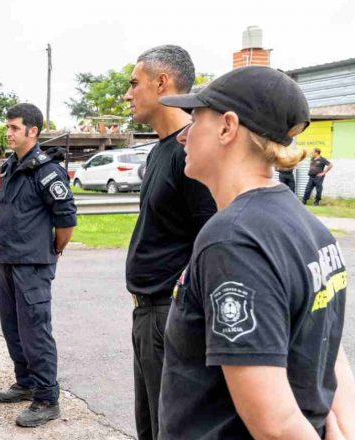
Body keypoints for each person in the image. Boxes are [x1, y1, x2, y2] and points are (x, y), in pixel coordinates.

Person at [158, 65, 355, 439]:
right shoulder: (308, 225)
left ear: (227, 127)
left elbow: (273, 424)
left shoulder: (233, 240)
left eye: (196, 118)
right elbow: (332, 351)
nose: (184, 136)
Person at [122, 45, 217, 440]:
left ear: (162, 82)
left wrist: (182, 309)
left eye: (133, 83)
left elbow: (210, 238)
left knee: (171, 430)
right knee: (150, 426)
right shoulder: (163, 149)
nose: (127, 94)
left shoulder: (189, 151)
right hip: (147, 314)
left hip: (168, 313)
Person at [0, 103, 77, 427]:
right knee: (12, 326)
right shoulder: (11, 166)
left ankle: (46, 398)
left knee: (35, 332)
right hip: (8, 260)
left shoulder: (47, 171)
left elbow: (66, 220)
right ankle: (26, 382)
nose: (9, 133)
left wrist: (53, 250)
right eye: (8, 127)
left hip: (33, 265)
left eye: (14, 128)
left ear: (33, 131)